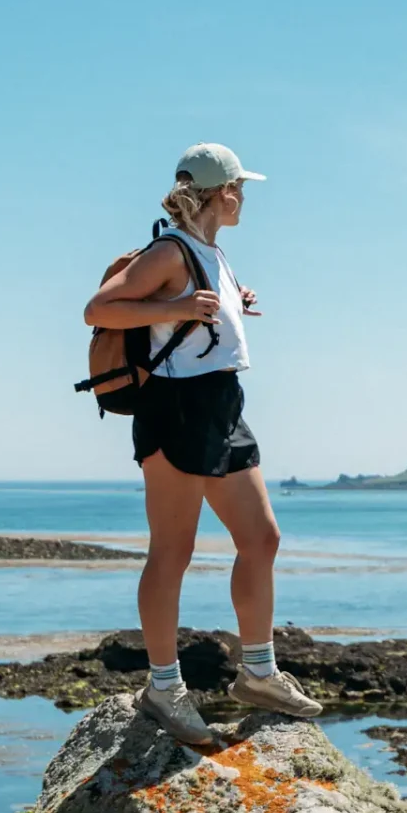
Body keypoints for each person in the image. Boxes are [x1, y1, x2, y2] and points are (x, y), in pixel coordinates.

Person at [83, 142, 322, 742]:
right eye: (242, 187)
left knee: (261, 537)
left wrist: (229, 305)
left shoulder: (214, 253)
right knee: (173, 552)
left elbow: (187, 323)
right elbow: (99, 309)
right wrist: (186, 301)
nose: (246, 198)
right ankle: (164, 688)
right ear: (223, 192)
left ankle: (259, 673)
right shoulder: (169, 251)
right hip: (175, 409)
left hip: (222, 406)